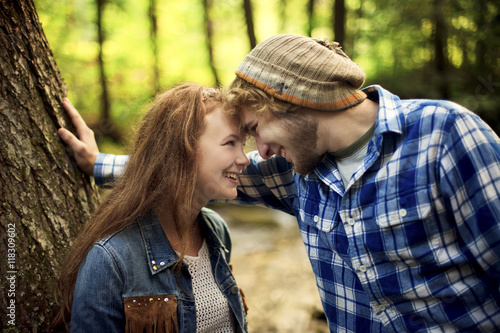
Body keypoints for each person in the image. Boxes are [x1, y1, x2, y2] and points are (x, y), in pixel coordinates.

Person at [58, 34, 500, 332]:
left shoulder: (445, 134)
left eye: (253, 129)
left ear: (289, 99)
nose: (258, 152)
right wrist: (98, 163)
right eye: (242, 139)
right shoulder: (296, 169)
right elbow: (184, 168)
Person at [53, 83, 250, 332]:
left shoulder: (216, 231)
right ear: (182, 150)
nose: (244, 159)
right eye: (230, 143)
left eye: (242, 145)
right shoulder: (110, 259)